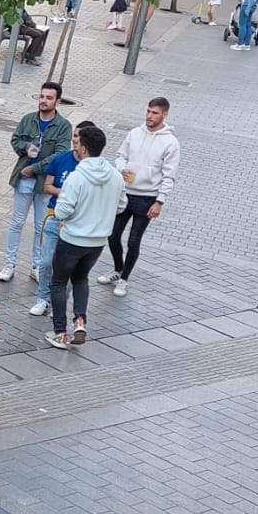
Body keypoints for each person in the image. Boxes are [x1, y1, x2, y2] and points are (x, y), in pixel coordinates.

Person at [45, 125, 125, 349]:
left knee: (58, 282)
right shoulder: (115, 176)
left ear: (83, 149)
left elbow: (62, 211)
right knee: (81, 279)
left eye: (78, 143)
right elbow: (121, 205)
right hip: (98, 242)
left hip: (72, 238)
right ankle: (80, 321)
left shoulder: (77, 177)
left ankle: (60, 332)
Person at [99, 98, 180, 298]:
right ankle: (118, 269)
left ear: (164, 115)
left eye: (155, 113)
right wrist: (121, 168)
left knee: (134, 241)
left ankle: (124, 279)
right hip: (125, 193)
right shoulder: (135, 133)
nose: (149, 116)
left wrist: (159, 201)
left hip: (147, 198)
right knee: (113, 235)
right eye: (148, 111)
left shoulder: (170, 142)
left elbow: (169, 175)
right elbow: (121, 155)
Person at [0, 83, 71, 282]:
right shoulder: (28, 119)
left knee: (41, 226)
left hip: (45, 183)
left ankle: (37, 266)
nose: (44, 101)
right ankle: (9, 264)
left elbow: (60, 155)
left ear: (57, 101)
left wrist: (35, 168)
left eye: (49, 98)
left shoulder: (63, 126)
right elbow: (15, 140)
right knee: (16, 223)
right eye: (42, 96)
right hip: (23, 179)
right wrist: (26, 147)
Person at [26, 122, 96, 317]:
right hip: (54, 216)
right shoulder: (61, 158)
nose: (75, 140)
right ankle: (42, 299)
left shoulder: (93, 167)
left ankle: (59, 303)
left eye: (79, 137)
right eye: (74, 135)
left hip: (77, 223)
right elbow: (47, 185)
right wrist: (66, 192)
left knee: (67, 267)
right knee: (46, 261)